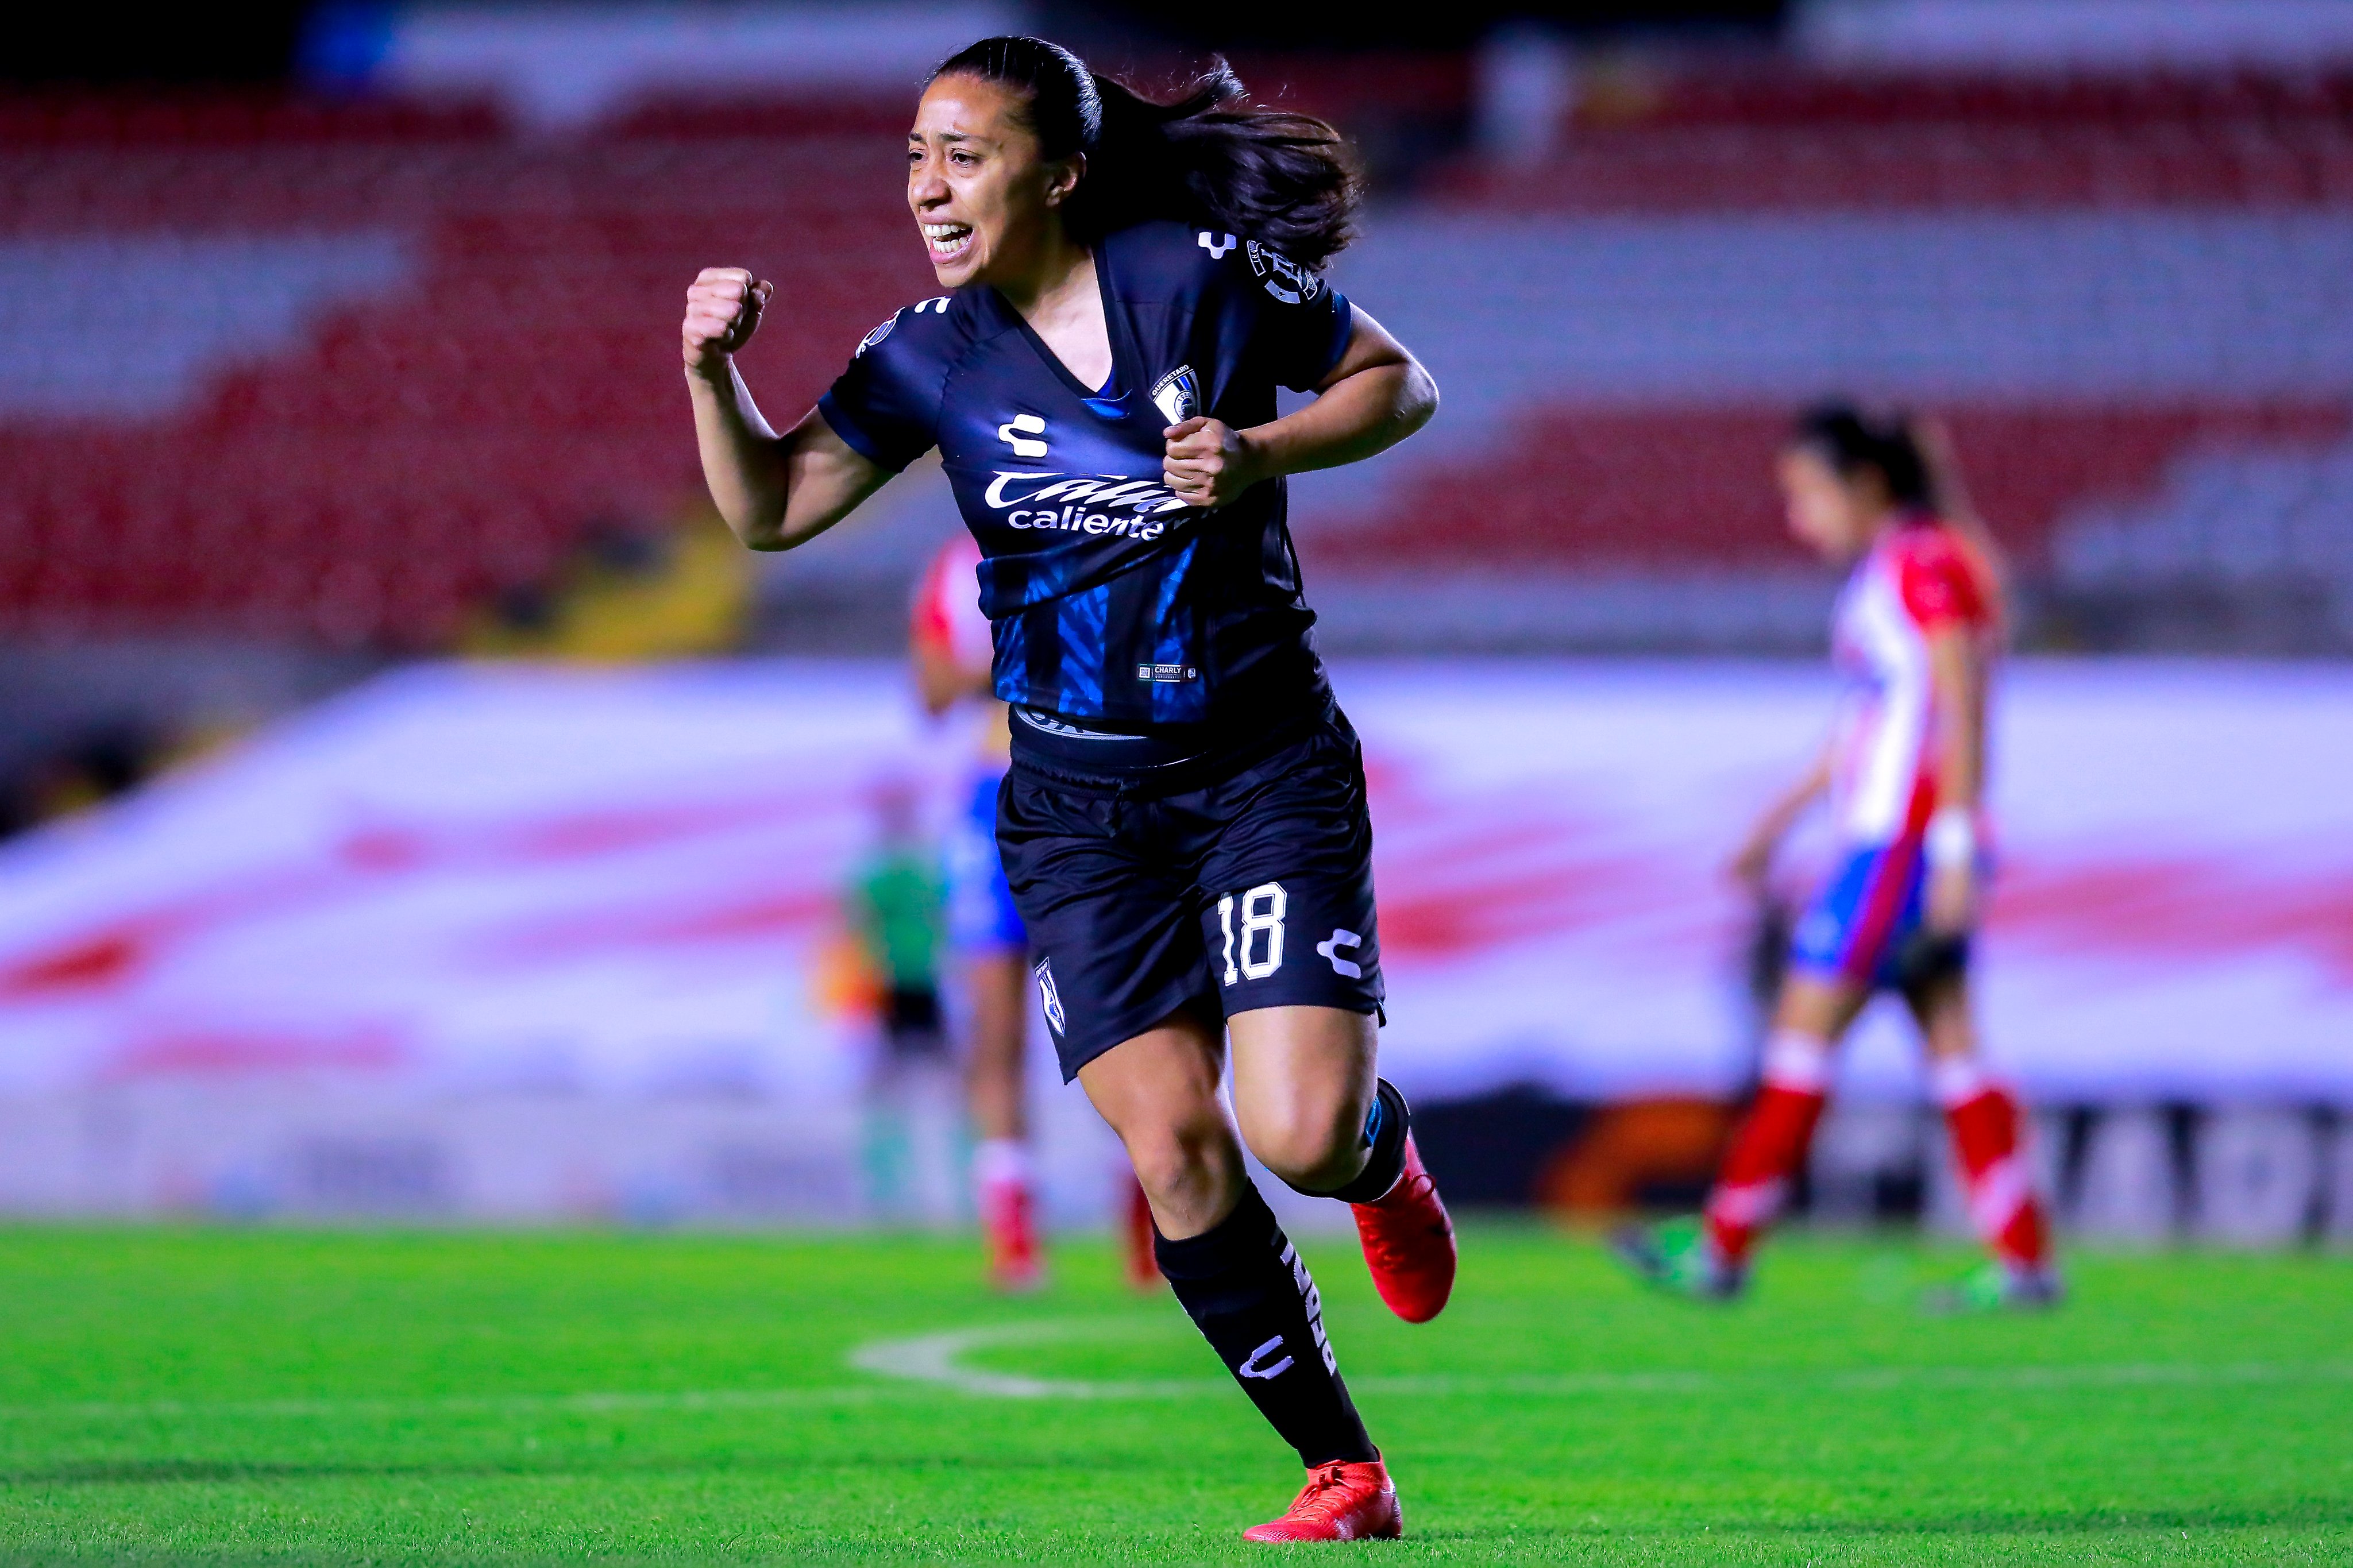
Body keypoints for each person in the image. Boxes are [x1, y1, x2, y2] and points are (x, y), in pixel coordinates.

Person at [681, 36, 1455, 1542]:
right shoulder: (927, 355)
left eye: (963, 154)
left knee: (1297, 1134)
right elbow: (770, 508)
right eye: (916, 155)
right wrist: (710, 373)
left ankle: (1379, 1162)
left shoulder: (1199, 277)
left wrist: (1264, 451)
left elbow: (1399, 385)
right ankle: (1344, 1469)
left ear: (1065, 172)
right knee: (1171, 1146)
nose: (929, 185)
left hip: (1258, 766)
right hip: (1077, 809)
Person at [1613, 405, 2060, 1314]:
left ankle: (1724, 1245)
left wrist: (1955, 851)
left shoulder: (1922, 561)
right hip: (1898, 838)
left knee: (1803, 1035)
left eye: (1808, 494)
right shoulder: (1903, 565)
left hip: (1903, 845)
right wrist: (1775, 824)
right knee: (1953, 1046)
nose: (1800, 518)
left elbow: (1963, 700)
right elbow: (1864, 728)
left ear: (1864, 485)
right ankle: (2022, 1259)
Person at [911, 534, 1160, 1292]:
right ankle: (1014, 1234)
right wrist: (1030, 659)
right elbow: (928, 691)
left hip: (1100, 798)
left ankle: (1148, 1228)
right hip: (995, 797)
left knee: (1123, 1023)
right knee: (996, 1028)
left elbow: (1172, 667)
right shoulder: (959, 564)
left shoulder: (1119, 533)